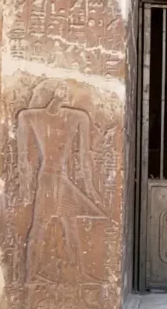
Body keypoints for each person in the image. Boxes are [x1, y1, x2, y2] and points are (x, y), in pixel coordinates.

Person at [16, 79, 106, 283]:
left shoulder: (78, 117)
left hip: (62, 178)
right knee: (40, 224)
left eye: (66, 90)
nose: (66, 93)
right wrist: (24, 186)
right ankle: (30, 276)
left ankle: (78, 272)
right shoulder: (29, 116)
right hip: (48, 178)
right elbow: (22, 157)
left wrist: (91, 188)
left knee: (69, 225)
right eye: (61, 89)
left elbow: (84, 157)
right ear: (51, 92)